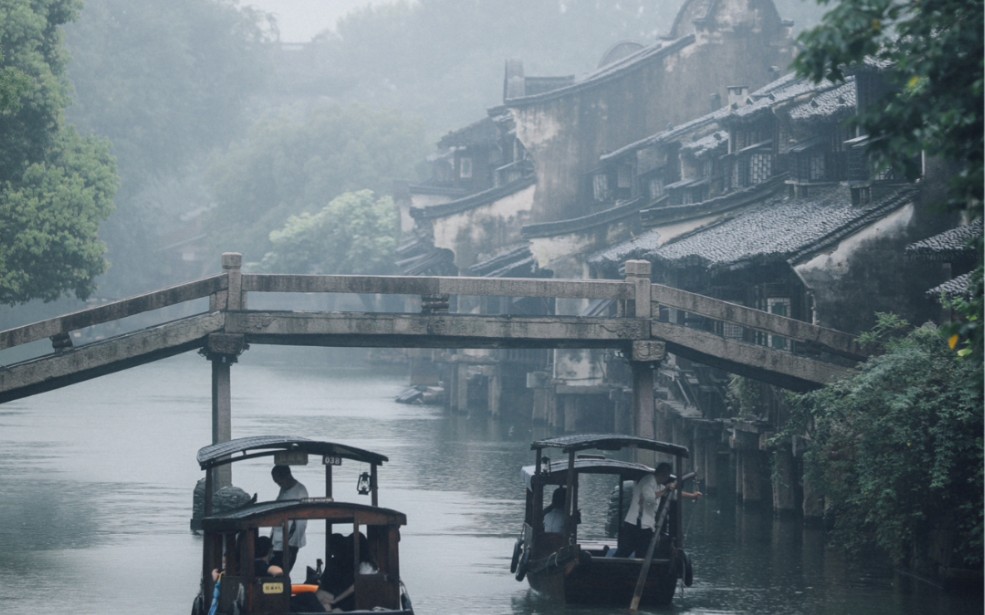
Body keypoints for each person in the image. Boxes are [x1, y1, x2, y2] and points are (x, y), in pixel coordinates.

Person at [614, 462, 701, 558]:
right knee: (625, 551)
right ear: (664, 474)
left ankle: (639, 571)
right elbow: (649, 499)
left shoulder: (658, 485)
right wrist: (665, 490)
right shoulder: (648, 480)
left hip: (646, 526)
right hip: (635, 524)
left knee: (643, 554)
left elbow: (674, 494)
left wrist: (692, 496)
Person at [270, 465, 308, 572]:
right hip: (277, 541)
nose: (279, 485)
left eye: (280, 482)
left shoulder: (300, 491)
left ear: (288, 476)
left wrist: (292, 545)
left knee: (282, 573)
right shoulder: (283, 489)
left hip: (289, 543)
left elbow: (301, 523)